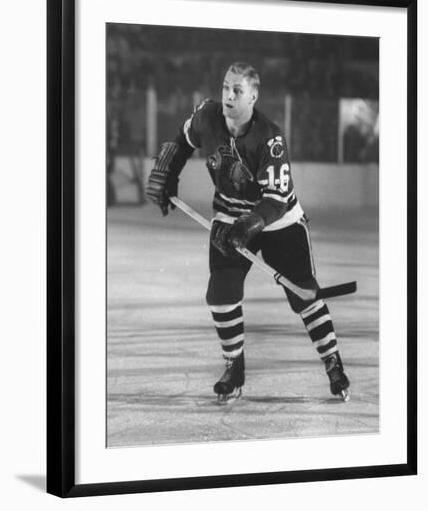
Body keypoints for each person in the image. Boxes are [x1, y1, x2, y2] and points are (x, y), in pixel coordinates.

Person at [146, 62, 350, 403]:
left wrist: (248, 226)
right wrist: (167, 172)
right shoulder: (206, 117)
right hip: (230, 213)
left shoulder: (269, 138)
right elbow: (183, 141)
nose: (228, 95)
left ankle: (332, 361)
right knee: (221, 291)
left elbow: (275, 202)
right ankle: (233, 367)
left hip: (278, 221)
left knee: (304, 294)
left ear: (253, 96)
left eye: (237, 90)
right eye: (226, 87)